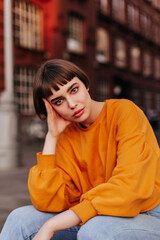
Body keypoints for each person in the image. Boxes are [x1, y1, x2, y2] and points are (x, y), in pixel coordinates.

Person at [1, 59, 160, 240]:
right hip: (95, 214)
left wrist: (51, 225)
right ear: (51, 108)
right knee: (19, 219)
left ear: (86, 84)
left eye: (74, 90)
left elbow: (129, 186)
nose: (71, 104)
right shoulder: (66, 135)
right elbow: (48, 201)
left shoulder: (124, 112)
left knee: (94, 230)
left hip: (146, 212)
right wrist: (51, 137)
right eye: (59, 101)